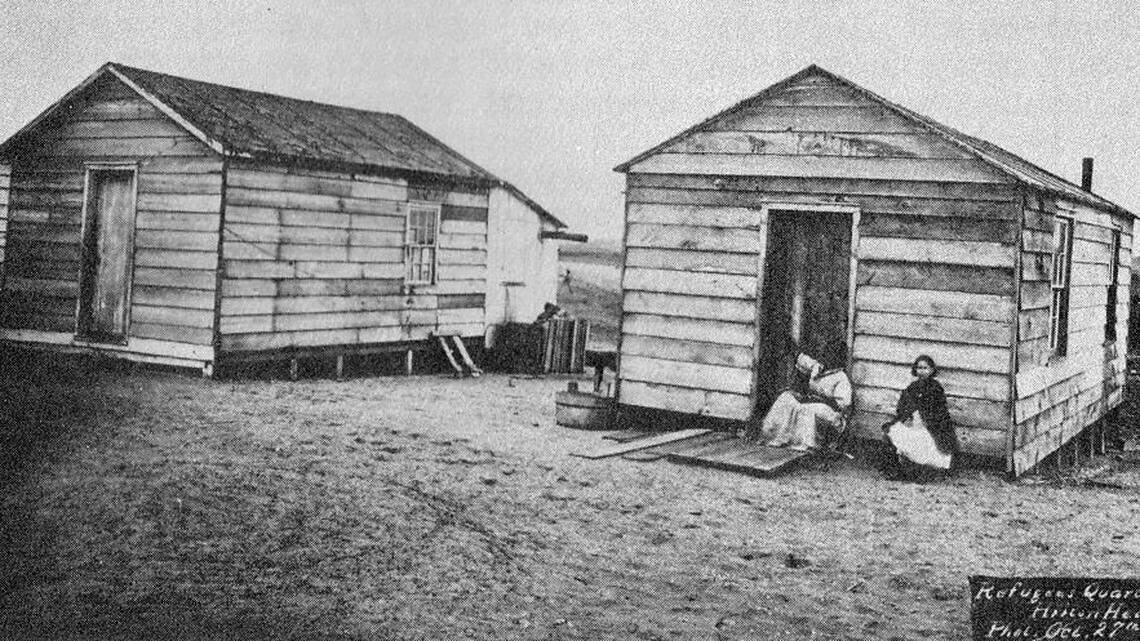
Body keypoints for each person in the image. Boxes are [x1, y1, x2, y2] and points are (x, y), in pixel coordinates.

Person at [745, 347, 852, 451]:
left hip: (831, 411)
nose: (826, 358)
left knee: (812, 410)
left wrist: (817, 399)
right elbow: (802, 360)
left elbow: (843, 406)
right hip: (812, 401)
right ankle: (772, 435)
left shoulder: (841, 378)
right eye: (825, 354)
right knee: (785, 397)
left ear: (837, 358)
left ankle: (807, 444)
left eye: (831, 355)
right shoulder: (818, 368)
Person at [880, 354, 957, 480]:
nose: (922, 371)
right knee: (895, 431)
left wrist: (925, 420)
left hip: (931, 425)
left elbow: (939, 410)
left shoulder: (936, 388)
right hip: (912, 421)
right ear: (915, 370)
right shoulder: (912, 387)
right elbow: (902, 405)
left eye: (925, 368)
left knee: (923, 439)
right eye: (919, 368)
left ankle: (923, 471)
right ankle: (898, 470)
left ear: (932, 370)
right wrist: (907, 417)